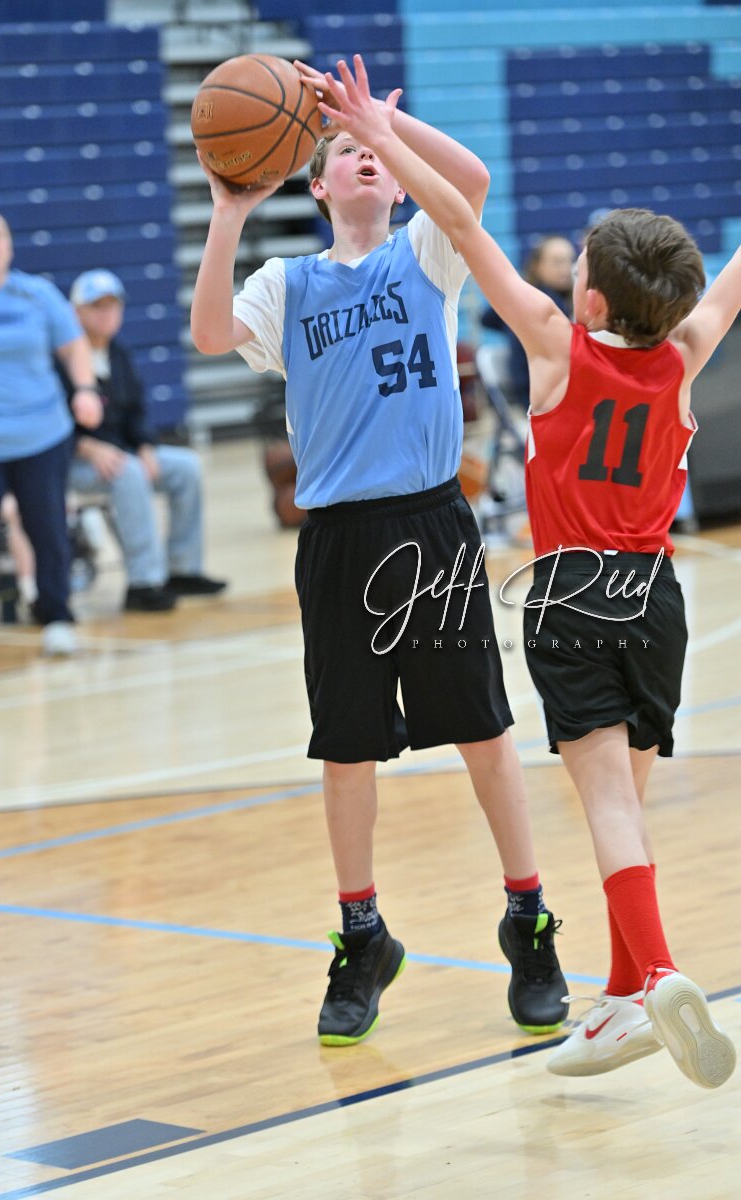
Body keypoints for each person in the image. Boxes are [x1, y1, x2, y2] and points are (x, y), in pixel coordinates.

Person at [321, 56, 738, 1087]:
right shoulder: (685, 353)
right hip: (657, 597)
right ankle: (622, 994)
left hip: (573, 594)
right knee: (627, 801)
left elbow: (461, 225)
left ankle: (659, 971)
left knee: (604, 806)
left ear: (586, 292)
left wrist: (382, 130)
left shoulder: (556, 348)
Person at [190, 60, 568, 1047]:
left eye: (375, 156)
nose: (362, 159)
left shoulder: (426, 253)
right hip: (337, 538)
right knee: (347, 748)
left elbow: (472, 183)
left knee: (483, 731)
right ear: (315, 185)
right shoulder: (286, 282)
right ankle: (362, 937)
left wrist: (385, 126)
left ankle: (527, 919)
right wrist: (229, 212)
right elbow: (208, 333)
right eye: (344, 153)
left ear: (396, 184)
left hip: (431, 523)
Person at [0, 208, 102, 672]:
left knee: (48, 529)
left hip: (42, 437)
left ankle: (57, 618)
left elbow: (74, 346)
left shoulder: (37, 294)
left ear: (10, 246)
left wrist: (85, 389)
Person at [66, 269, 226, 612]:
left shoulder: (119, 353)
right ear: (76, 312)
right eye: (97, 306)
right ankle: (144, 581)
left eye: (112, 305)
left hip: (121, 453)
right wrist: (87, 446)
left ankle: (183, 569)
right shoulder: (64, 359)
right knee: (129, 473)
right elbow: (51, 422)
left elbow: (136, 411)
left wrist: (146, 446)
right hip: (74, 462)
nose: (107, 314)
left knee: (185, 467)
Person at [480, 235, 574, 408]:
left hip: (528, 388)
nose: (566, 269)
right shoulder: (550, 302)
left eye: (569, 261)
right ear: (538, 266)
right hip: (538, 393)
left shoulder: (524, 295)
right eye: (557, 262)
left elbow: (486, 318)